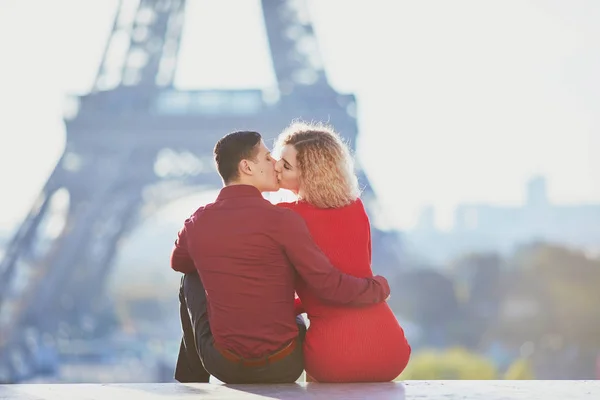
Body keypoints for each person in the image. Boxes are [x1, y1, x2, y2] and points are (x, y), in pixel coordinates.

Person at [171, 130, 391, 384]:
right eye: (267, 157)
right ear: (247, 167)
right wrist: (377, 288)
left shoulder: (198, 221)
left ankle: (191, 383)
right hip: (284, 364)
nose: (274, 163)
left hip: (224, 365)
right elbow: (327, 283)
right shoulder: (285, 220)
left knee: (190, 278)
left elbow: (179, 263)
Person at [274, 122, 411, 382]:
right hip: (390, 351)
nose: (276, 167)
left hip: (332, 358)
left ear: (310, 174)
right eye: (279, 159)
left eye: (286, 165)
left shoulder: (286, 216)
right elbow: (350, 277)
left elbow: (325, 284)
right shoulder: (356, 206)